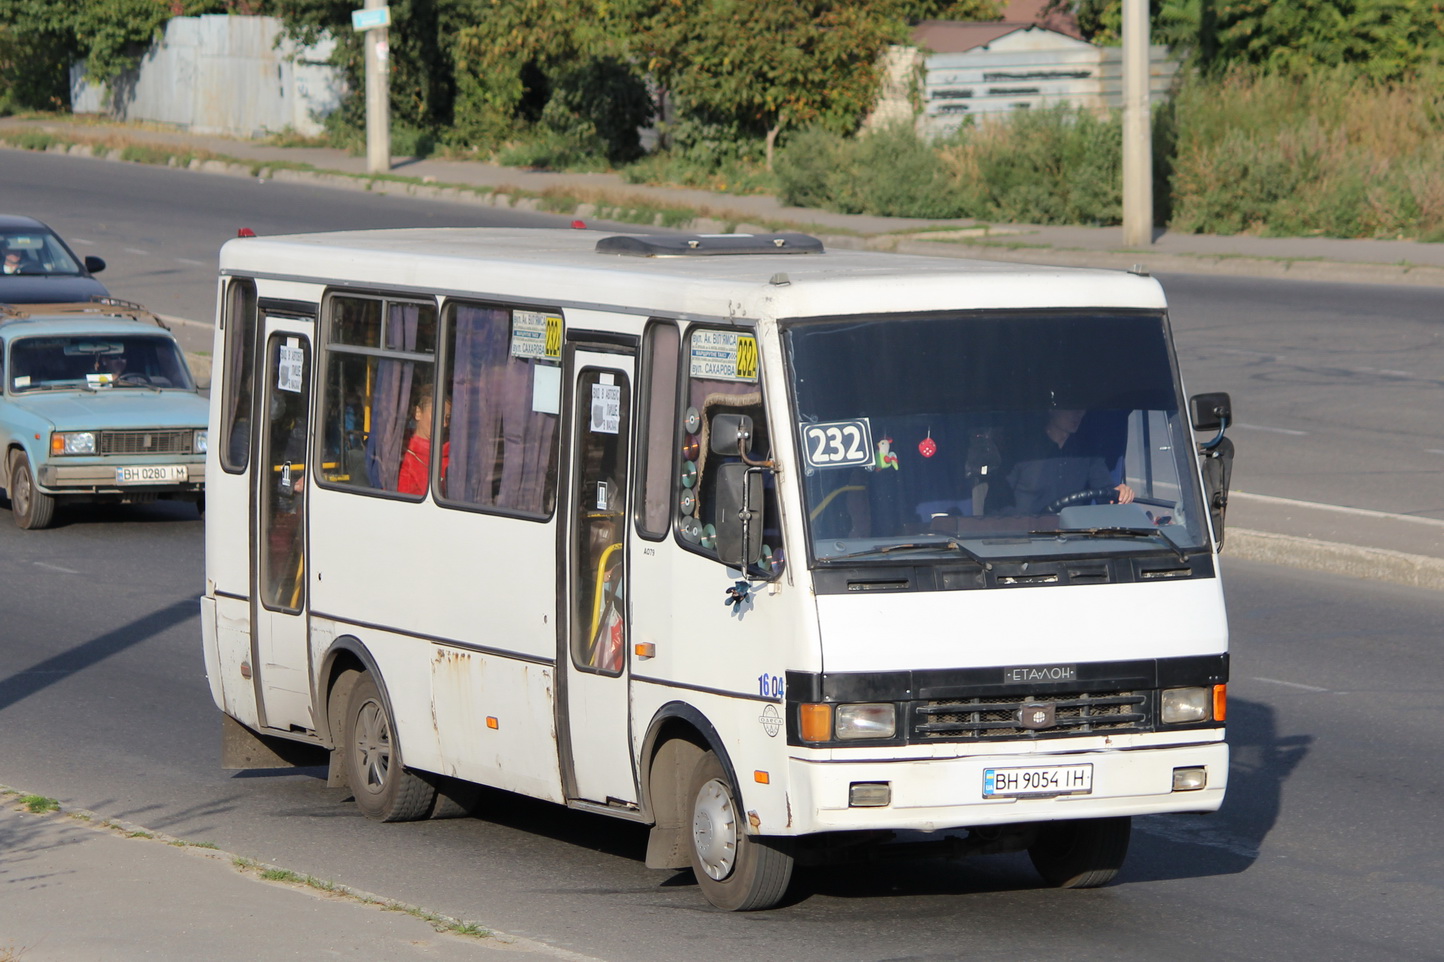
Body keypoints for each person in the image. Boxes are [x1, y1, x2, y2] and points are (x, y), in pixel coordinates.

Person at [1007, 408, 1135, 514]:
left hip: (1073, 536)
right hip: (1026, 537)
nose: (1079, 413)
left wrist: (1120, 492)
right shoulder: (1022, 452)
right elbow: (999, 503)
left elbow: (1105, 492)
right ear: (1052, 409)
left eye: (1081, 408)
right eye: (1071, 407)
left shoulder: (1087, 453)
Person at [397, 382, 449, 495]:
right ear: (418, 413)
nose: (444, 424)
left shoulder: (453, 454)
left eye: (448, 418)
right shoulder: (399, 451)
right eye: (438, 415)